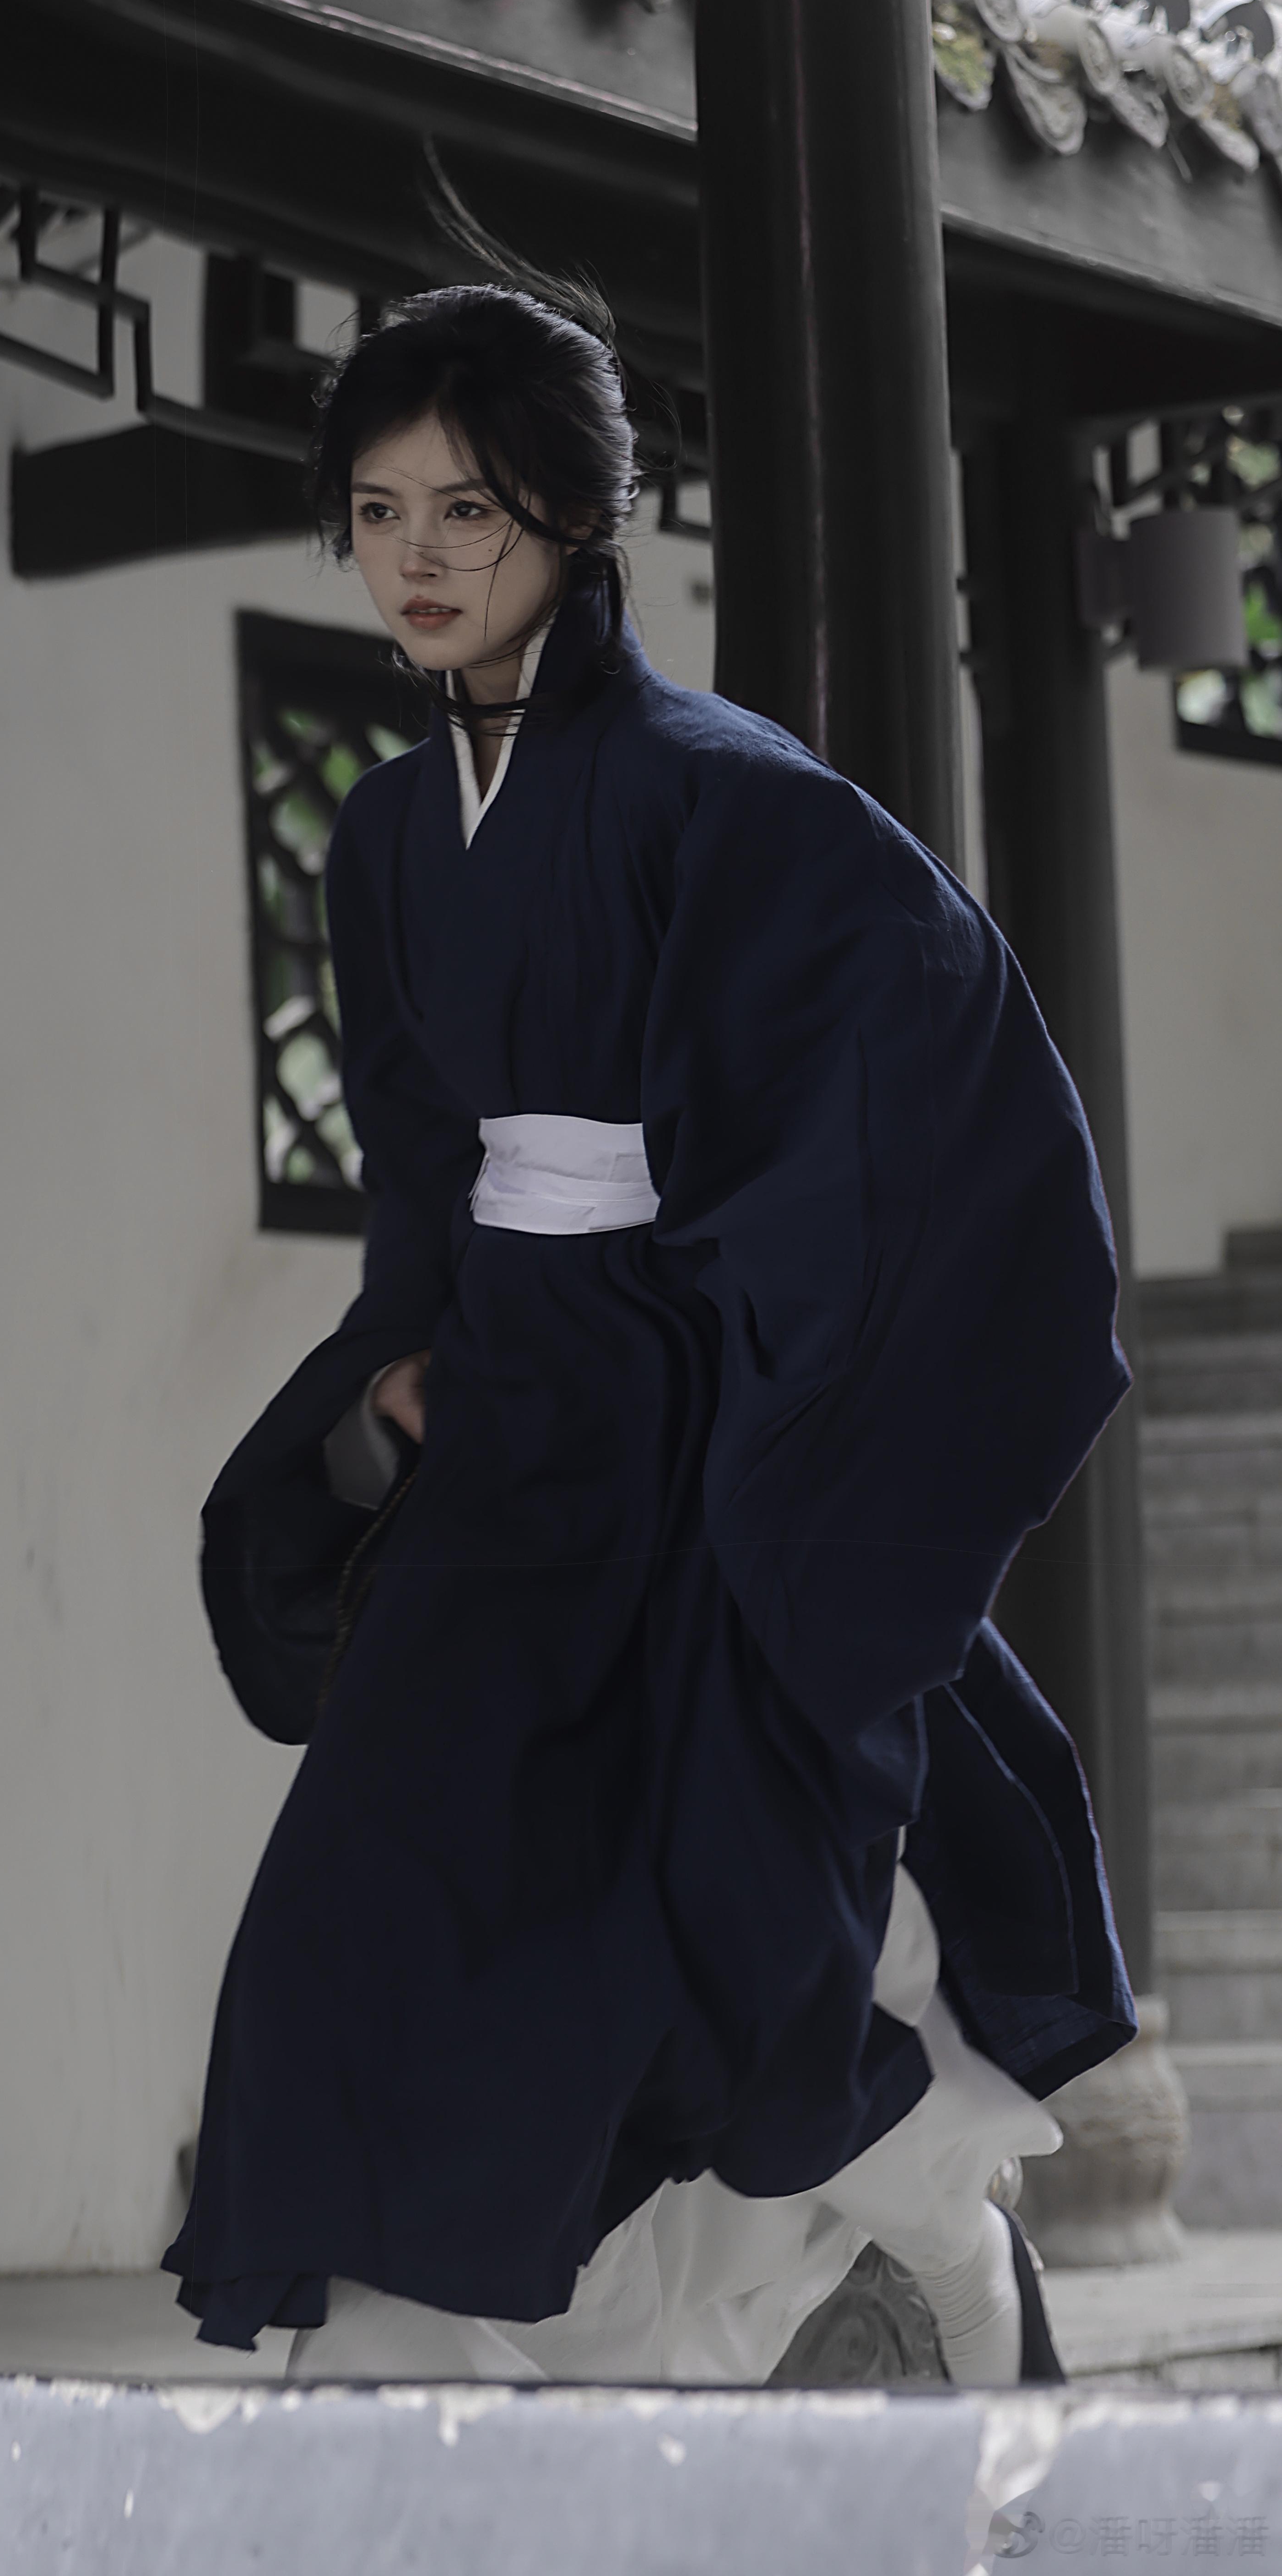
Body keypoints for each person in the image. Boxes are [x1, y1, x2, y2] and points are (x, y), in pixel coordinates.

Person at [163, 272, 1135, 2388]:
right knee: (367, 1895)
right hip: (512, 1410)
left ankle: (937, 2251)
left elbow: (927, 1082)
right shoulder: (388, 834)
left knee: (744, 1908)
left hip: (700, 1410)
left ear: (575, 515)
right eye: (378, 509)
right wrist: (399, 1372)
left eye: (468, 509)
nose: (416, 556)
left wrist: (742, 1371)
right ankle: (418, 2364)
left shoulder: (727, 795)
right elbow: (424, 1165)